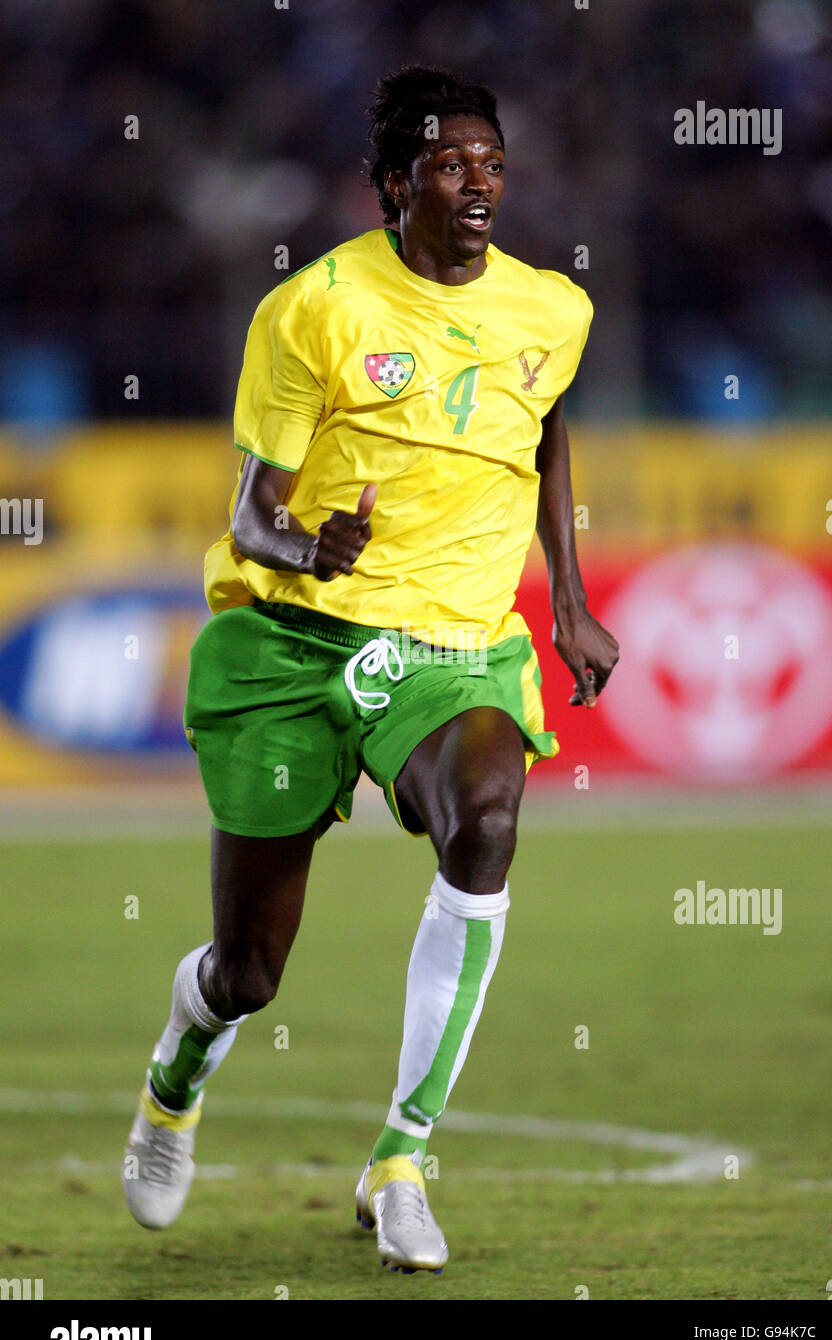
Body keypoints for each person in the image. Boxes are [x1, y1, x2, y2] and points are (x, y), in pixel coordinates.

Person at [122, 64, 619, 1275]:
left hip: (451, 647)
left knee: (487, 820)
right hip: (295, 641)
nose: (478, 183)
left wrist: (567, 592)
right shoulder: (316, 308)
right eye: (451, 164)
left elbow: (545, 421)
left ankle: (400, 1158)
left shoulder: (550, 310)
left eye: (491, 163)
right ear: (396, 184)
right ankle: (177, 1075)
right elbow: (249, 515)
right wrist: (307, 544)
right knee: (248, 971)